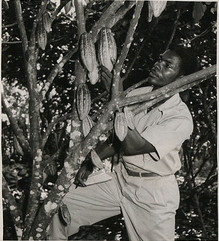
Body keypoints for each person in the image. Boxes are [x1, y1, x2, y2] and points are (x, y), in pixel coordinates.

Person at [47, 45, 198, 241]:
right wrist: (92, 161)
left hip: (152, 193)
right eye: (160, 59)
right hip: (120, 180)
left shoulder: (180, 118)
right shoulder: (138, 94)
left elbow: (132, 146)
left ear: (181, 79)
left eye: (167, 64)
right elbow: (118, 140)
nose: (157, 64)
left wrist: (118, 101)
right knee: (58, 204)